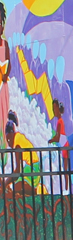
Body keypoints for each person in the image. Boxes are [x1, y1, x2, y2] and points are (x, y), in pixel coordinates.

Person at [48, 99, 70, 191]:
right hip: (63, 145)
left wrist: (51, 140)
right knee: (64, 169)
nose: (54, 111)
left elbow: (58, 137)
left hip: (64, 145)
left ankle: (66, 188)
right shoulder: (59, 121)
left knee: (65, 169)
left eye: (54, 108)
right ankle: (65, 188)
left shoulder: (60, 121)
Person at [0, 2, 10, 149]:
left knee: (3, 119)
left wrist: (5, 74)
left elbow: (9, 65)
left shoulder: (4, 44)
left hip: (3, 88)